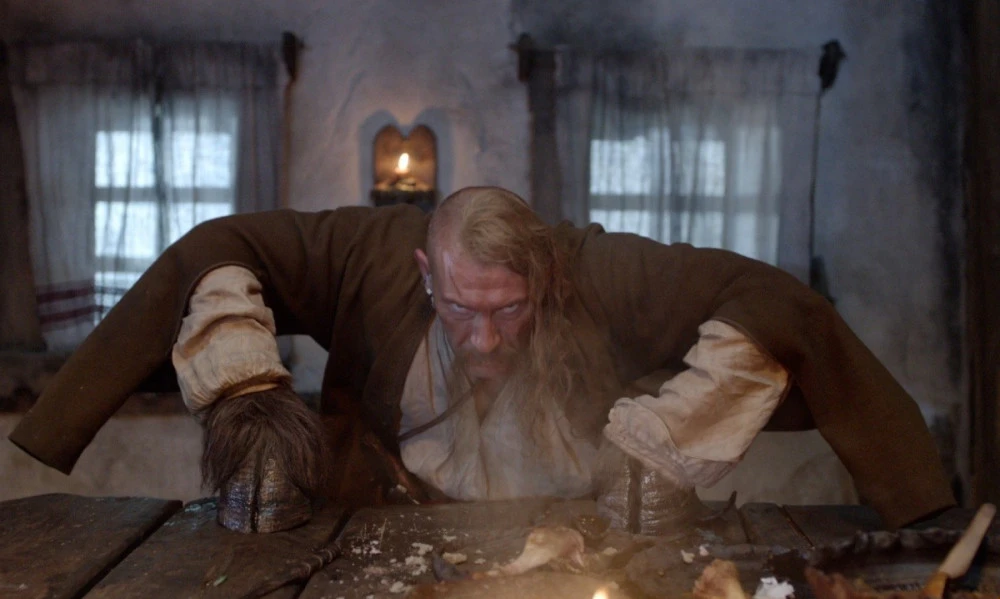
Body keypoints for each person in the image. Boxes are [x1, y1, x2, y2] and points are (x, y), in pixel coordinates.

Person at [8, 186, 954, 534]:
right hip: (378, 521)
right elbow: (217, 245)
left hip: (571, 532)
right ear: (428, 272)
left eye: (511, 310)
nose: (489, 338)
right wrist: (247, 392)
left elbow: (777, 302)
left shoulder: (597, 268)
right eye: (463, 309)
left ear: (544, 274)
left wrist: (668, 436)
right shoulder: (368, 254)